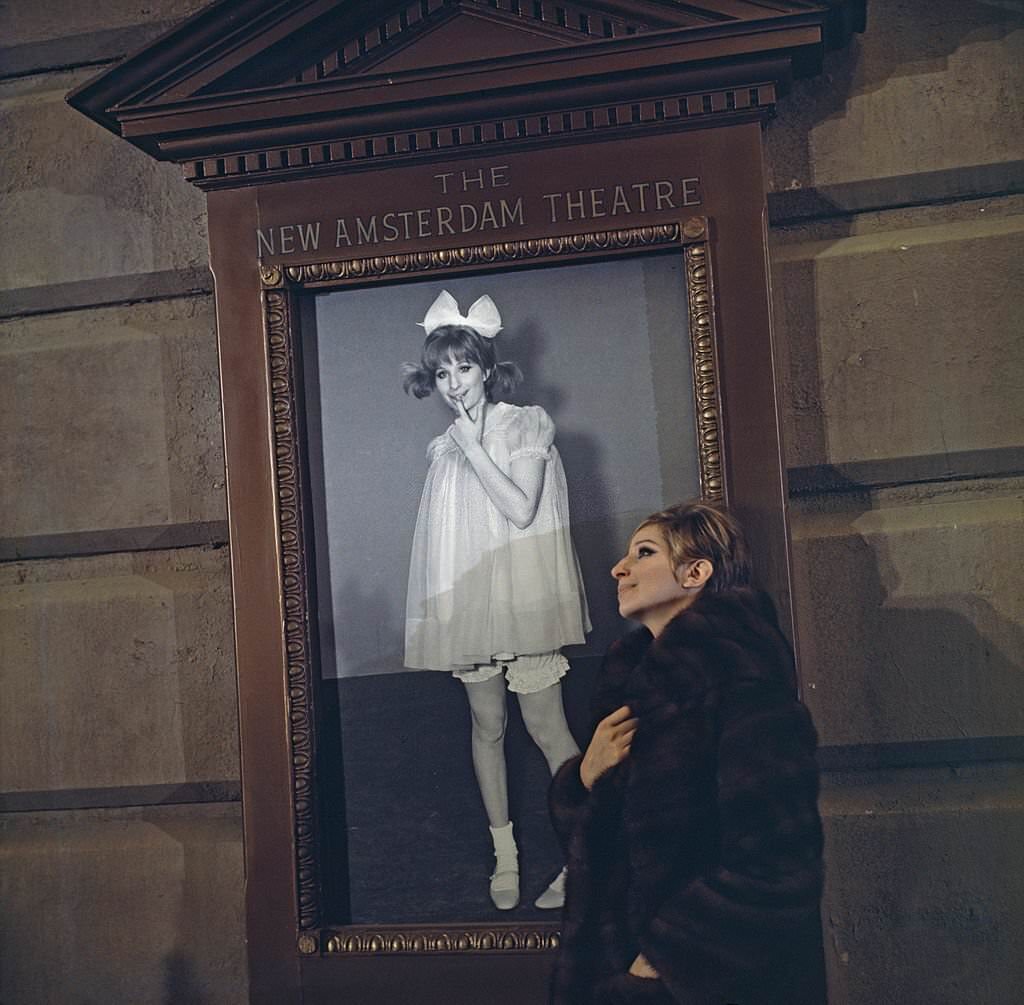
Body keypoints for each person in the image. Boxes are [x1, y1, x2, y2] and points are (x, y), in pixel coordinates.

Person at [548, 502, 824, 1004]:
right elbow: (604, 847)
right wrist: (583, 779)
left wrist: (657, 965)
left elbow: (779, 862)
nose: (618, 568)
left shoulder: (743, 684)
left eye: (644, 552)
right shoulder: (632, 691)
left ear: (695, 572)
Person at [402, 289, 591, 911]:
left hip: (524, 602)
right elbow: (447, 545)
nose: (454, 383)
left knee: (547, 729)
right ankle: (504, 856)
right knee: (486, 726)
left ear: (486, 367)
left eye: (463, 367)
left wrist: (473, 445)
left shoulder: (526, 423)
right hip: (473, 610)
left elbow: (520, 509)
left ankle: (587, 857)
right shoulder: (441, 449)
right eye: (441, 372)